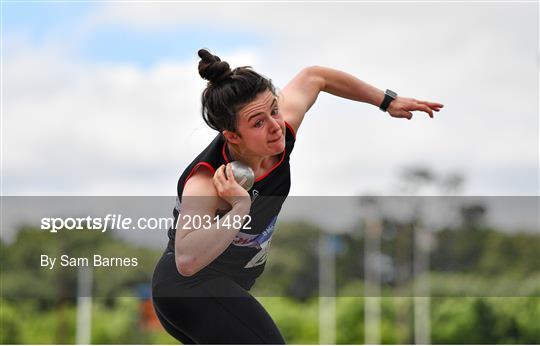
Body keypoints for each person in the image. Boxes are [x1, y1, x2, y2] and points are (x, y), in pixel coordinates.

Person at [151, 48, 443, 344]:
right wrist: (240, 205)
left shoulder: (279, 130)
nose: (275, 126)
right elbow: (187, 260)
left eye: (274, 110)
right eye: (257, 123)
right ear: (233, 136)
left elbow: (315, 76)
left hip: (217, 291)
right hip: (190, 290)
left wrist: (387, 100)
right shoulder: (207, 181)